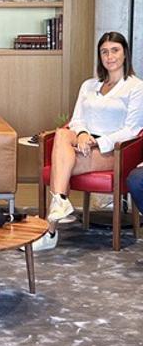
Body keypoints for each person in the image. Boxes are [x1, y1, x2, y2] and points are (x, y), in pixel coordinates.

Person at [33, 31, 143, 251]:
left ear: (125, 54)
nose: (109, 56)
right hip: (81, 142)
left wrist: (95, 143)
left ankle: (50, 230)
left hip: (114, 149)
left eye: (115, 50)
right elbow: (76, 120)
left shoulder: (136, 87)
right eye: (104, 52)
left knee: (59, 167)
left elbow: (132, 130)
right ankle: (60, 204)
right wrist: (83, 134)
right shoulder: (89, 85)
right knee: (62, 134)